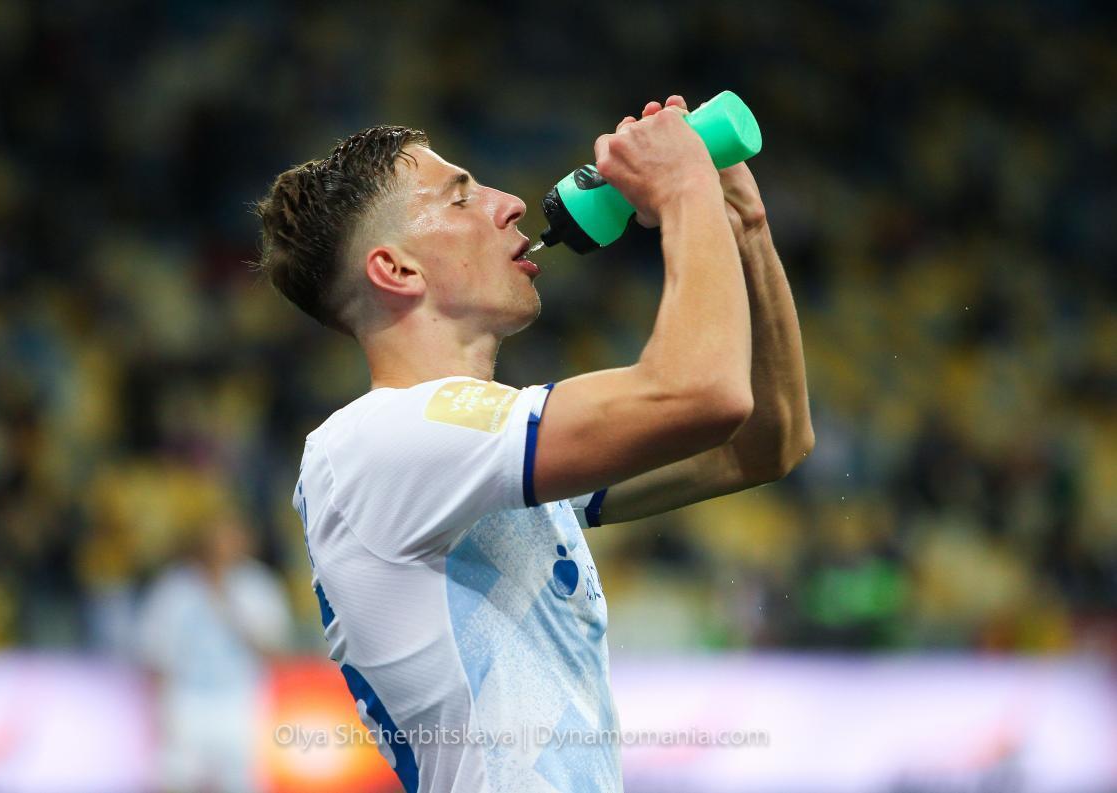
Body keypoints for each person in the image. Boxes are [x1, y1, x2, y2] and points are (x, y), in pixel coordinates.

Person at [254, 94, 813, 793]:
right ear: (396, 270)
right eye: (461, 198)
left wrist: (742, 226)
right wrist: (682, 188)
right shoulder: (378, 442)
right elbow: (702, 394)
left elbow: (762, 444)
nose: (512, 203)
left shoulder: (479, 459)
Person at [135, 513, 293, 793]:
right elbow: (156, 654)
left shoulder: (257, 586)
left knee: (239, 782)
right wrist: (162, 710)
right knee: (178, 780)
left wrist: (228, 605)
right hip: (186, 701)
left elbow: (273, 650)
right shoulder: (175, 588)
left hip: (238, 702)